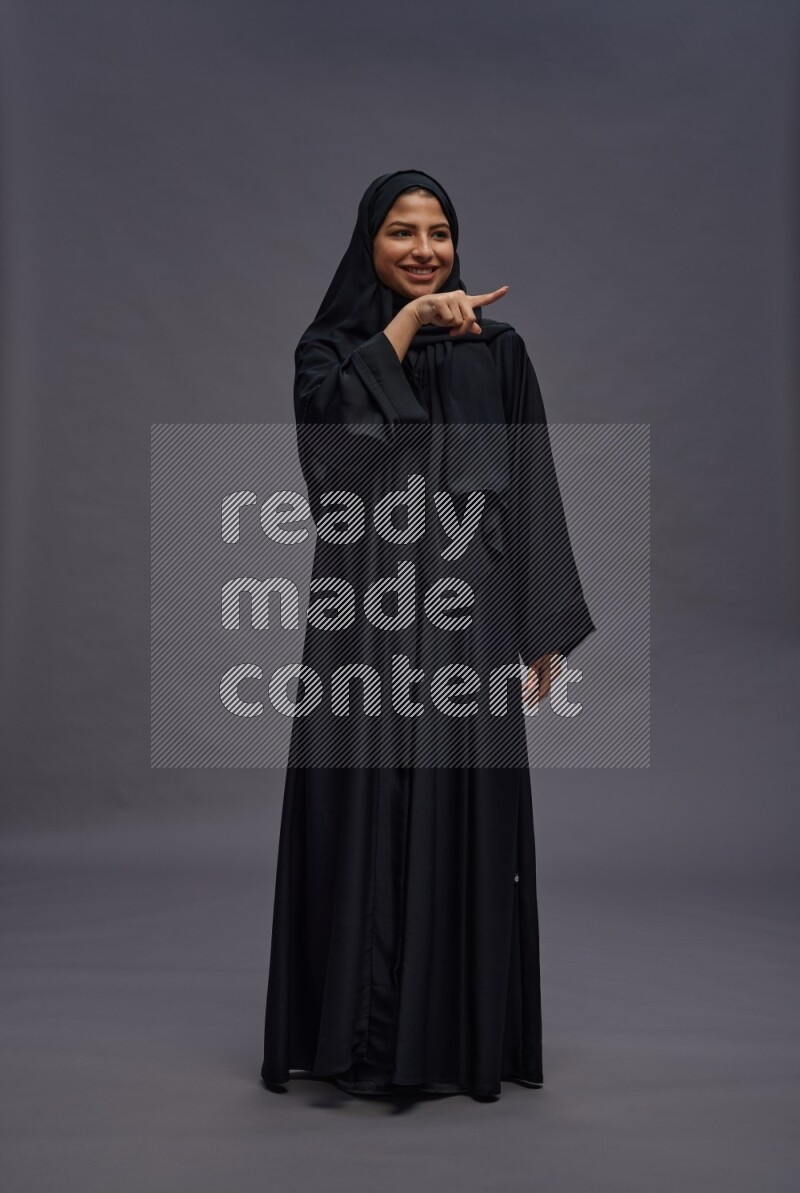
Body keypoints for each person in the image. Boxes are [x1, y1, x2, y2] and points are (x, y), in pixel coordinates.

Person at [260, 170, 595, 1101]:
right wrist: (403, 332)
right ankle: (358, 1040)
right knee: (363, 796)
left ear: (457, 241)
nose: (423, 249)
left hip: (469, 617)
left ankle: (451, 1040)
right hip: (364, 613)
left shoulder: (501, 352)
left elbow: (530, 485)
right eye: (402, 232)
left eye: (438, 232)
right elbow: (329, 468)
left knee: (460, 804)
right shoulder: (330, 352)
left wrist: (543, 627)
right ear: (369, 243)